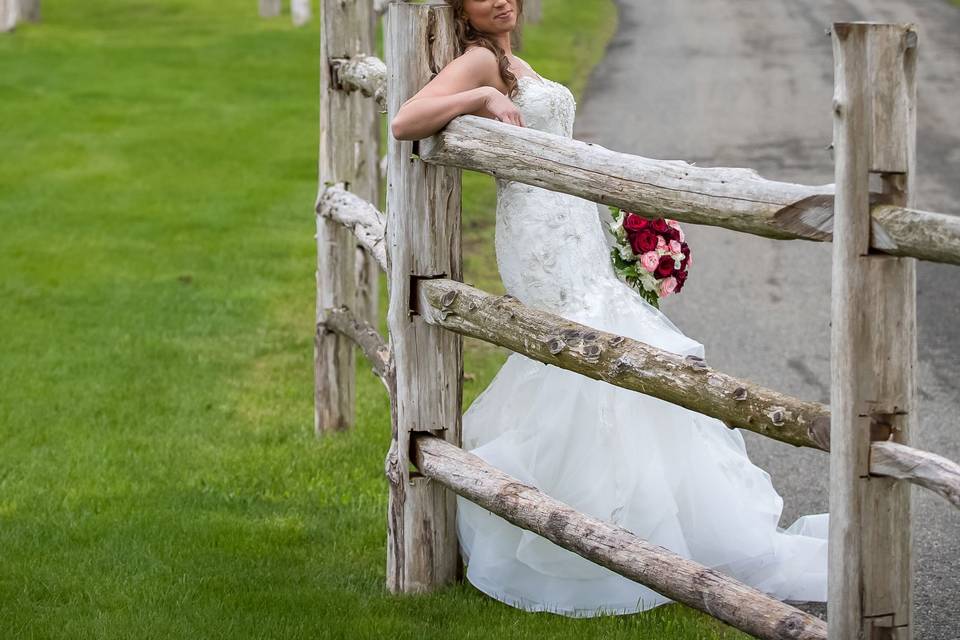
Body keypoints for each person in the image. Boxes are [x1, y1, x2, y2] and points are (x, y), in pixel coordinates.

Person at [391, 0, 828, 618]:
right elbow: (407, 120)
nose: (501, 0)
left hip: (575, 220)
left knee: (608, 345)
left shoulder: (512, 58)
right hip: (540, 234)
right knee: (582, 352)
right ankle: (597, 535)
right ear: (460, 7)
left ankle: (636, 526)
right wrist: (478, 100)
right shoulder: (479, 61)